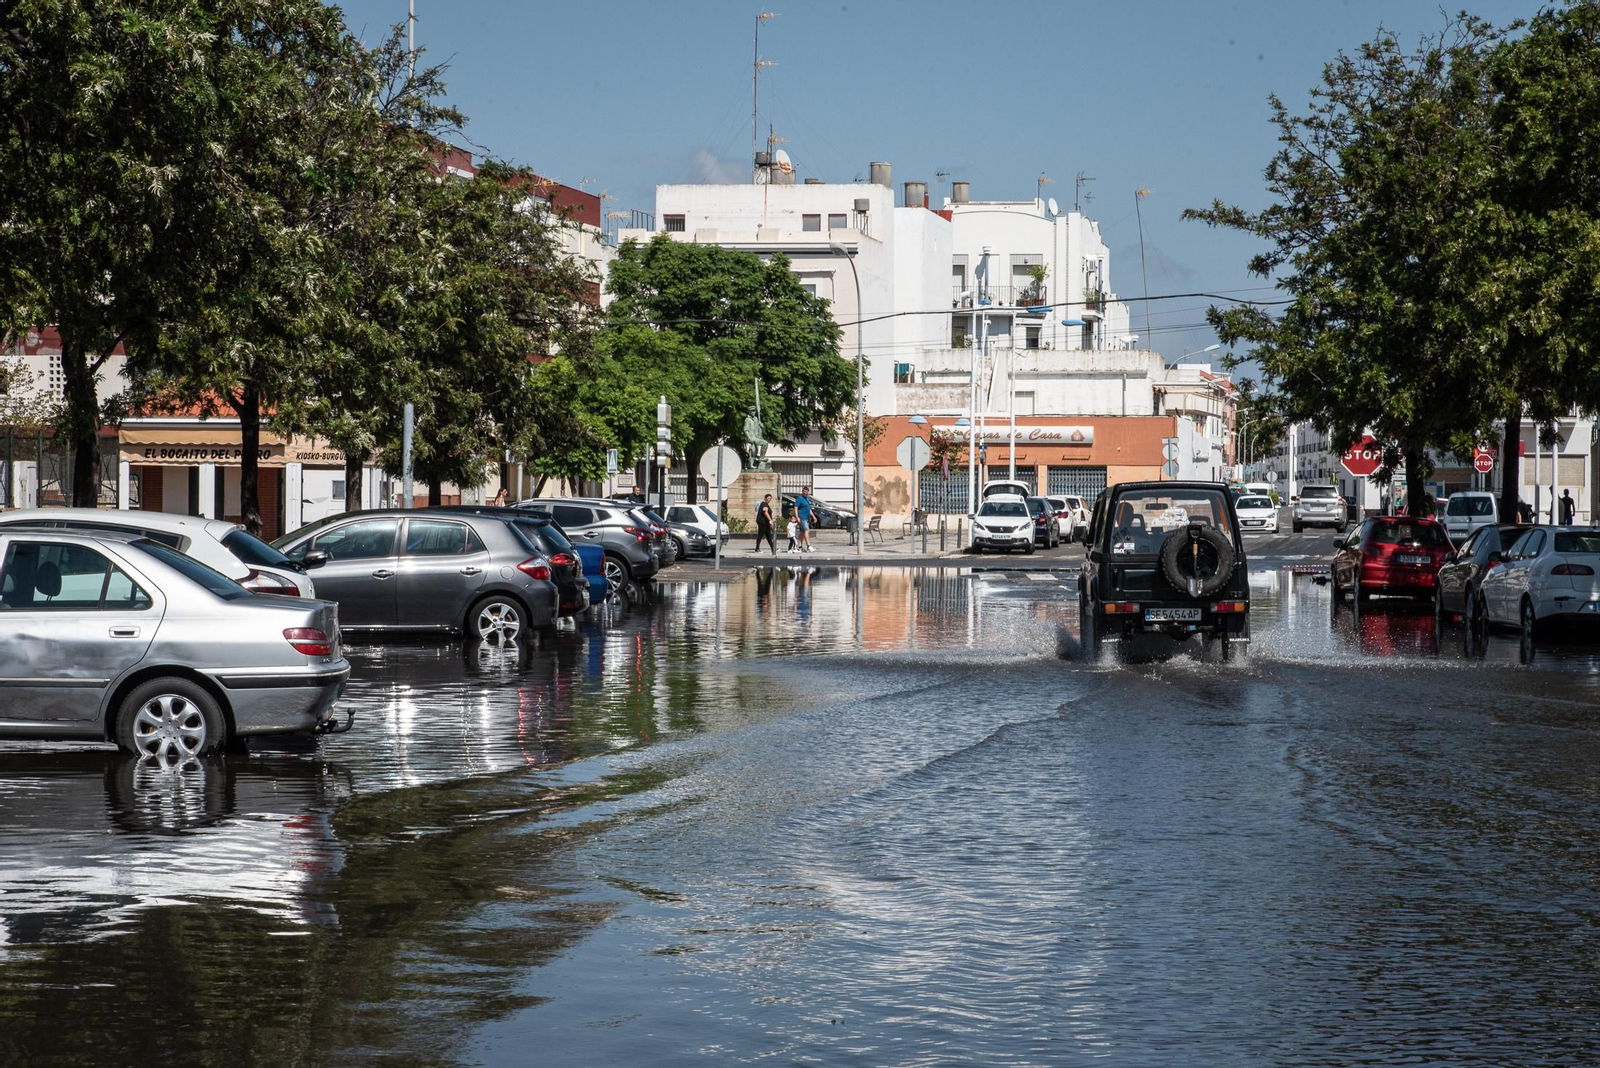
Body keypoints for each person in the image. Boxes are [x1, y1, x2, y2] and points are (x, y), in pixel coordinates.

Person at [794, 486, 814, 553]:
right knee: (806, 530)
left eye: (807, 492)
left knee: (802, 532)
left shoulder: (807, 499)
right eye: (804, 492)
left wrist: (813, 516)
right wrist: (797, 517)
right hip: (802, 517)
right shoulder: (800, 499)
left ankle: (799, 547)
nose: (806, 493)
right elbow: (795, 508)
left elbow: (809, 509)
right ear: (802, 492)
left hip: (806, 518)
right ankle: (808, 546)